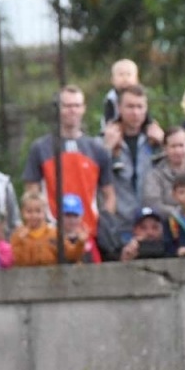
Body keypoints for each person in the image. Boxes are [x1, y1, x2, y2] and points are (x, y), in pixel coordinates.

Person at [24, 85, 116, 249]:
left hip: (89, 234)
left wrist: (105, 223)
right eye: (67, 106)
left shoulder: (97, 149)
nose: (72, 110)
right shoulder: (40, 148)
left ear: (83, 109)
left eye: (76, 105)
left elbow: (109, 195)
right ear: (58, 109)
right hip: (51, 235)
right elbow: (32, 193)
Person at [104, 84, 162, 222]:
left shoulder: (155, 139)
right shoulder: (103, 141)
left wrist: (163, 145)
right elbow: (94, 176)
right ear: (119, 108)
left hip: (152, 223)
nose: (135, 113)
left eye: (140, 107)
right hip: (117, 222)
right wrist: (106, 149)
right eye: (130, 107)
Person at [142, 126, 185, 215]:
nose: (178, 151)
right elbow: (153, 205)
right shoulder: (154, 176)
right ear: (165, 148)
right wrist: (182, 215)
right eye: (173, 146)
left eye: (181, 145)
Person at [10, 189, 59, 266]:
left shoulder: (53, 233)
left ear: (44, 212)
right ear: (22, 212)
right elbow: (14, 260)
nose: (34, 216)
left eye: (38, 211)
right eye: (29, 211)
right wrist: (21, 241)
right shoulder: (17, 235)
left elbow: (68, 254)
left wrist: (80, 243)